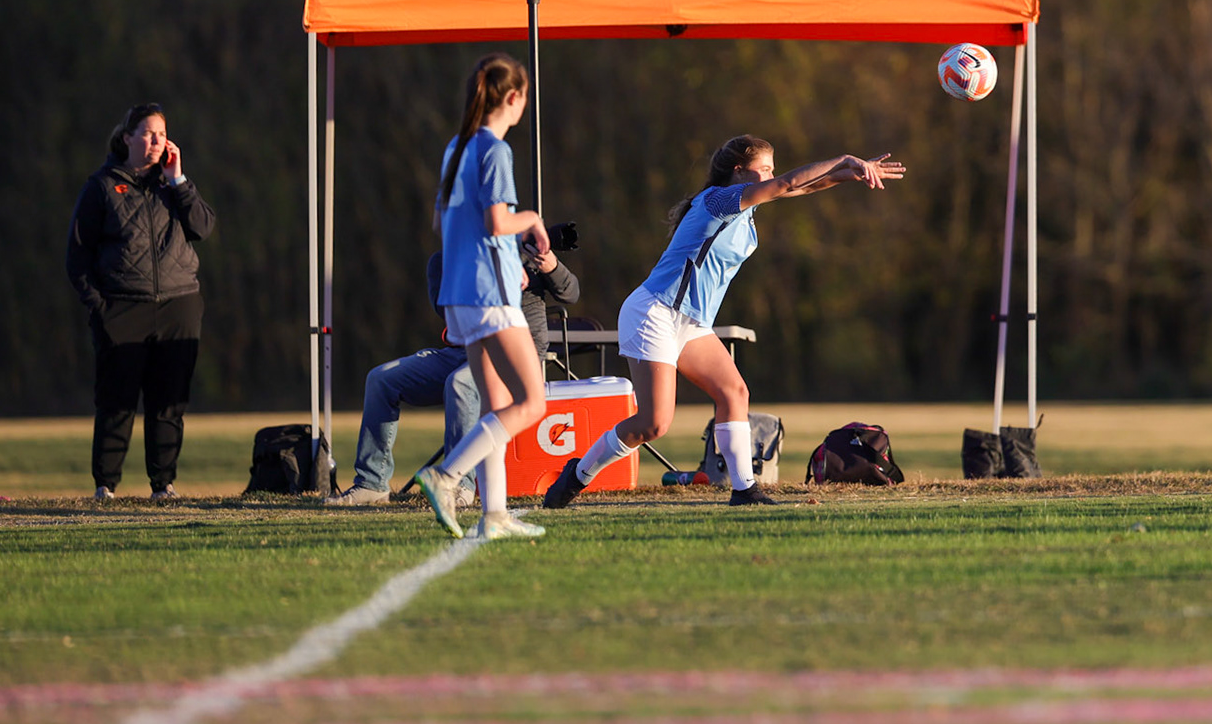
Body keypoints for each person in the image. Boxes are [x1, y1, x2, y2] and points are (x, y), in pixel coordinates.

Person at [543, 135, 903, 510]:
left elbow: (805, 186)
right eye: (764, 168)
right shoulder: (718, 200)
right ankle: (576, 476)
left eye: (771, 168)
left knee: (734, 394)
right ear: (738, 172)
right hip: (655, 313)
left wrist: (854, 172)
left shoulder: (746, 206)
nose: (771, 175)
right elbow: (788, 184)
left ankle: (744, 490)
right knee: (653, 424)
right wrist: (844, 157)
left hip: (690, 322)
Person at [328, 230, 579, 507]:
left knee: (461, 383)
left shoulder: (524, 257)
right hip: (465, 351)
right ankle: (372, 484)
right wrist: (493, 276)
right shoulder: (442, 263)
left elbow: (571, 293)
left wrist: (552, 266)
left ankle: (459, 486)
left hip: (517, 355)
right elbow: (448, 312)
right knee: (380, 379)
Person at [411, 53, 553, 540]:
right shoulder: (495, 150)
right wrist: (531, 218)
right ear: (512, 98)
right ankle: (445, 475)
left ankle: (494, 515)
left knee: (496, 407)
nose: (524, 107)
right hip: (489, 293)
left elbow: (440, 223)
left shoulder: (456, 146)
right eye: (525, 99)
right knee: (532, 402)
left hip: (459, 291)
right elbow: (498, 222)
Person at [65, 102, 217, 501]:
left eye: (162, 135)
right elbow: (77, 257)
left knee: (169, 403)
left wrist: (179, 180)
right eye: (148, 133)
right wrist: (101, 308)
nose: (156, 141)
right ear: (127, 137)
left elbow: (203, 227)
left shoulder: (174, 185)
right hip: (122, 308)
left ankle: (163, 486)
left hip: (178, 305)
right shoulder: (101, 186)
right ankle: (105, 486)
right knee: (116, 402)